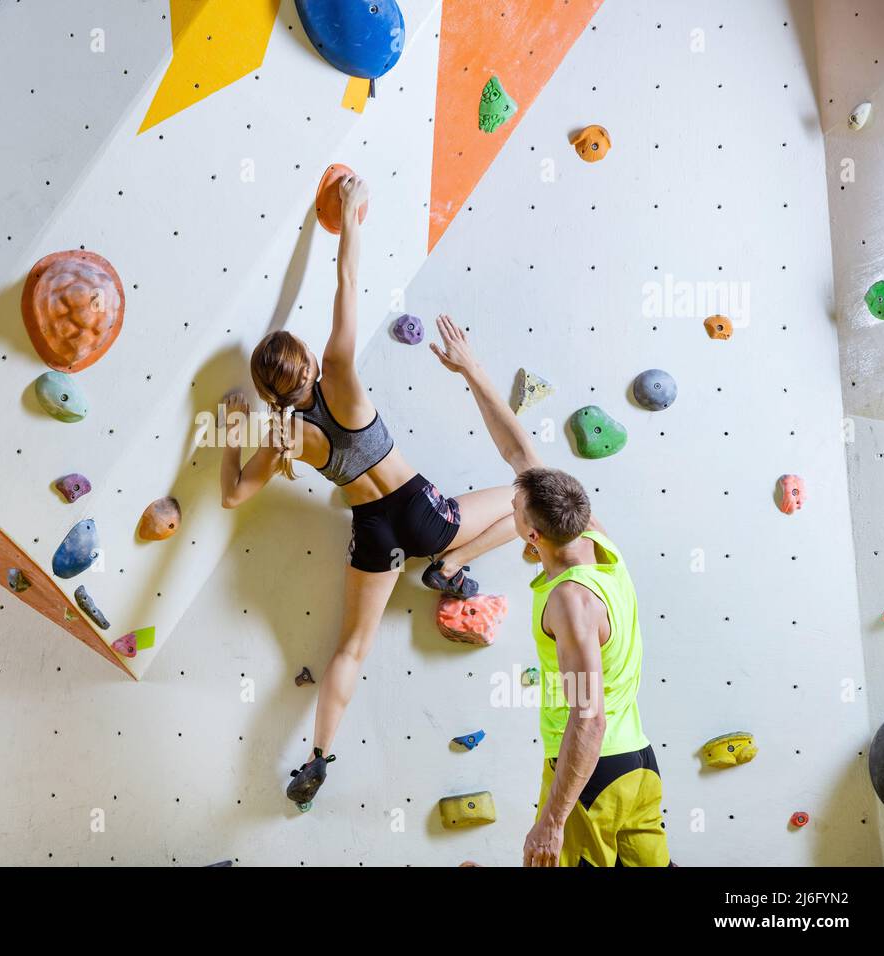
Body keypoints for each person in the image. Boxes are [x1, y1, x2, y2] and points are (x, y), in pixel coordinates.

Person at [218, 174, 519, 808]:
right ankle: (453, 565)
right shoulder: (342, 373)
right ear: (305, 358)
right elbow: (347, 284)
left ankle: (318, 762)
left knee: (350, 648)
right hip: (422, 510)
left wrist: (228, 432)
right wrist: (352, 216)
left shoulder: (284, 438)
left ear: (270, 391)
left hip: (373, 533)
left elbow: (233, 499)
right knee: (528, 495)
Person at [429, 317, 669, 867]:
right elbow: (520, 455)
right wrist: (472, 370)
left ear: (532, 537)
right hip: (637, 766)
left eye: (513, 513)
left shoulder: (569, 600)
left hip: (590, 776)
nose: (509, 509)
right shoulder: (597, 542)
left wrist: (551, 822)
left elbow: (588, 717)